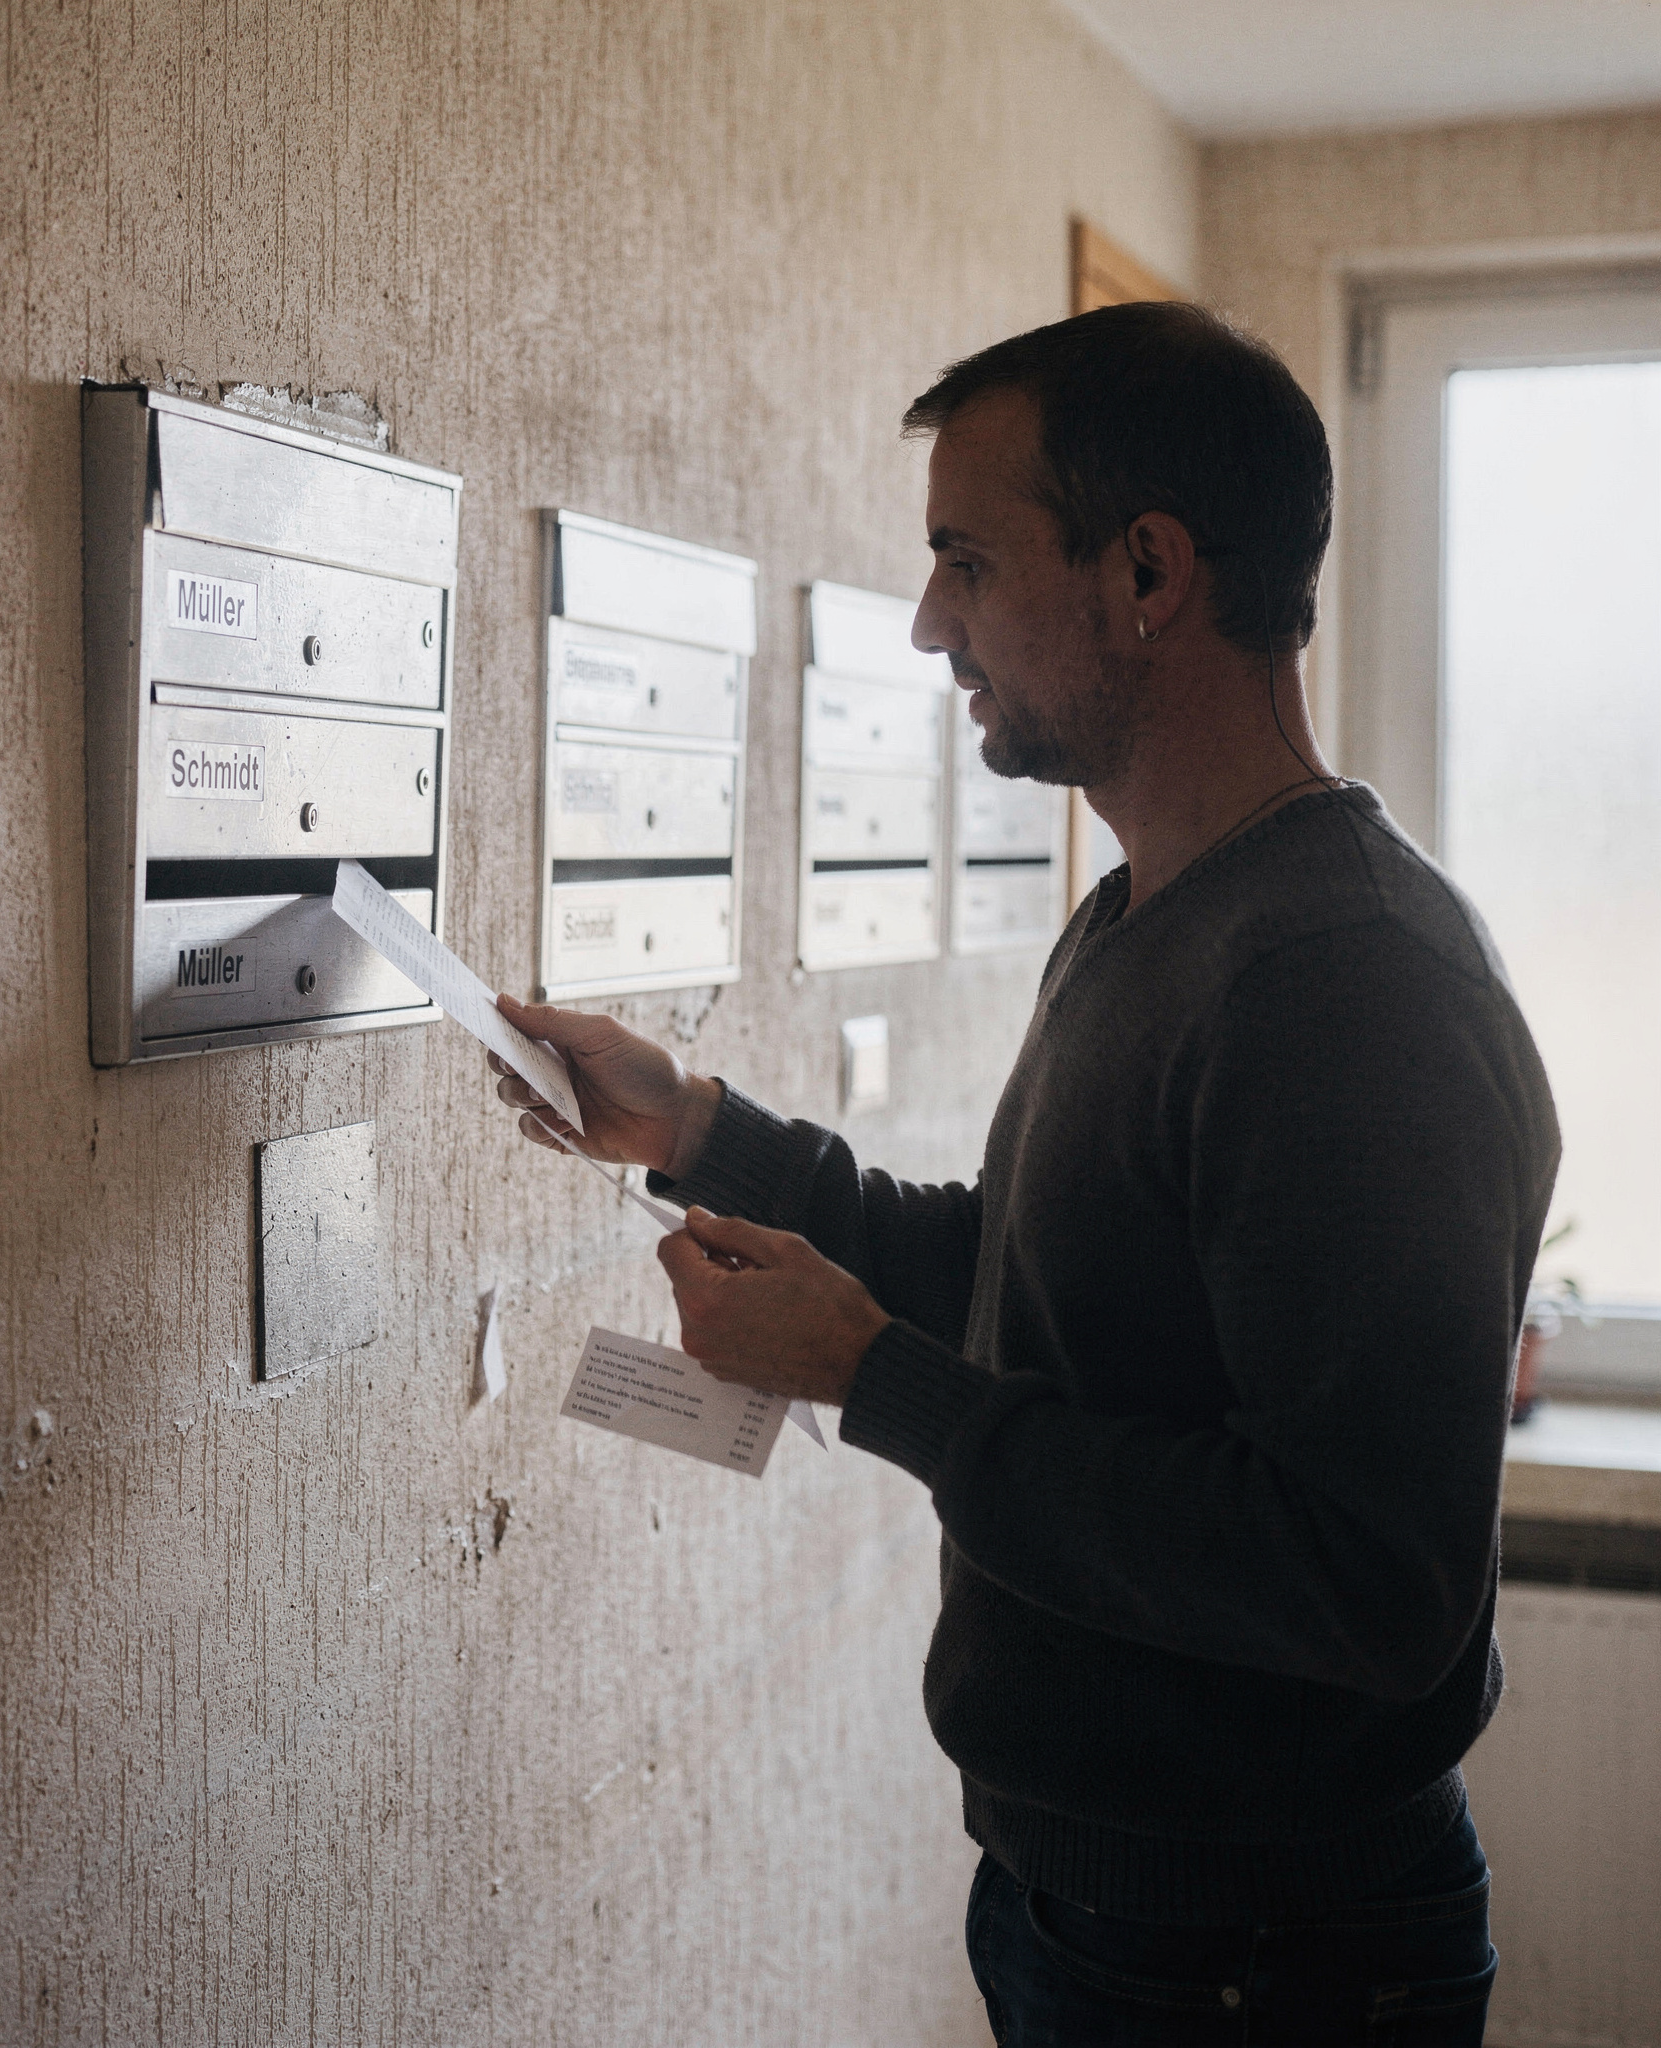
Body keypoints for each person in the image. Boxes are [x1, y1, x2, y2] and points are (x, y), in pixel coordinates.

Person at [488, 302, 1559, 2044]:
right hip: (1113, 1920)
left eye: (967, 564)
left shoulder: (1352, 984)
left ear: (1148, 573)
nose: (931, 625)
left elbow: (1366, 1579)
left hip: (1254, 1962)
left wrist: (872, 1381)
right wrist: (696, 1128)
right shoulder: (1156, 913)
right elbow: (1042, 1280)